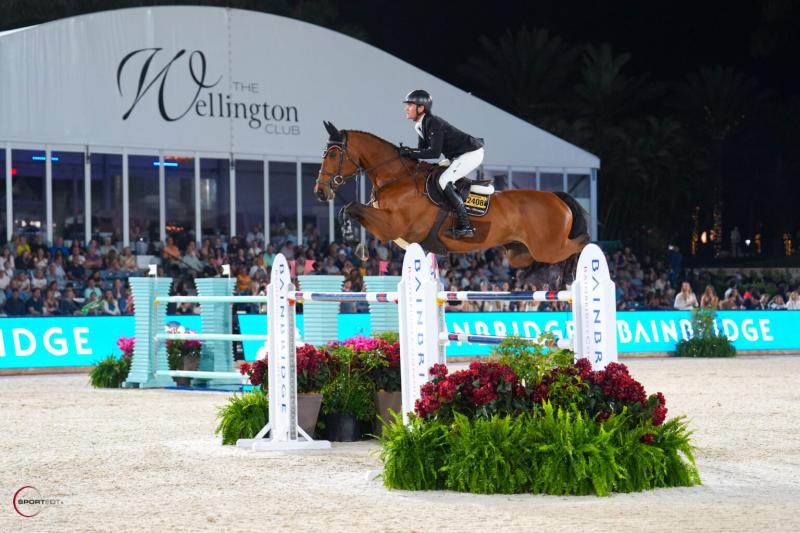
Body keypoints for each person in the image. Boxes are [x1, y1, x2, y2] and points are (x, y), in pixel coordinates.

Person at [399, 89, 485, 239]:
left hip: (471, 153)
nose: (406, 108)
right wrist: (407, 153)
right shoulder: (420, 124)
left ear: (421, 108)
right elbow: (421, 151)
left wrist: (409, 152)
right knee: (436, 172)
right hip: (456, 155)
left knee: (444, 180)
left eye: (410, 105)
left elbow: (434, 153)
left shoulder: (432, 122)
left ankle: (466, 226)